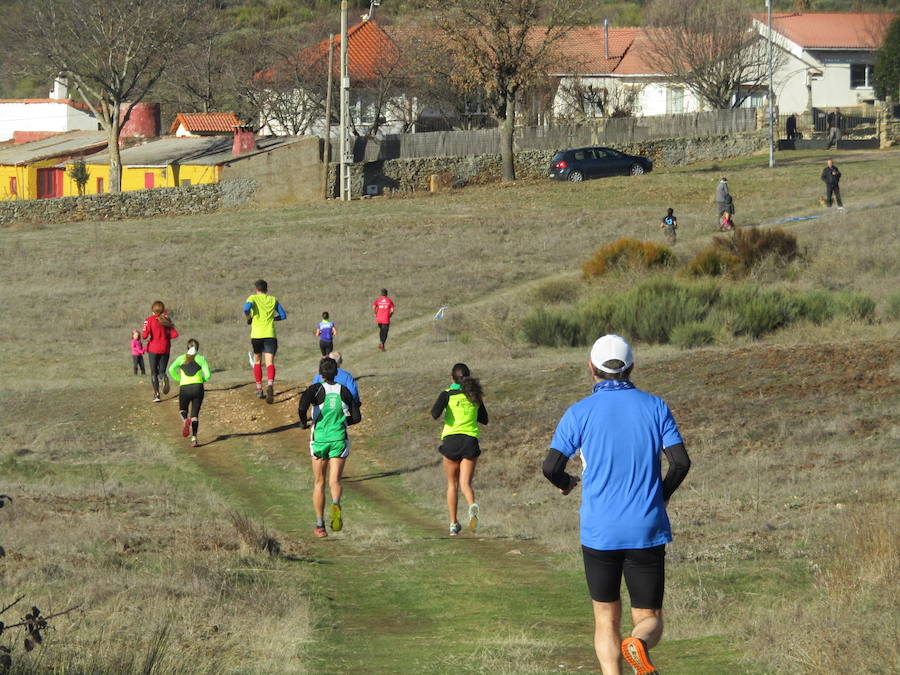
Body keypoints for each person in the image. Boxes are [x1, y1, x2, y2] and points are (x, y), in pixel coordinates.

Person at [542, 335, 691, 675]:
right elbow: (681, 463)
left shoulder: (578, 412)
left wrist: (566, 484)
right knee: (649, 619)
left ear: (591, 369)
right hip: (646, 528)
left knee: (606, 617)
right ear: (632, 367)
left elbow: (550, 467)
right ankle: (638, 643)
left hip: (599, 532)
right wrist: (662, 494)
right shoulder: (656, 407)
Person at [299, 357, 361, 538]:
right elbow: (356, 417)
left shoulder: (314, 389)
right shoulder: (345, 391)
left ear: (320, 373)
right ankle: (336, 503)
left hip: (319, 440)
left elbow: (302, 407)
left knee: (319, 482)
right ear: (336, 373)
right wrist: (343, 421)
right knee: (335, 481)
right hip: (339, 439)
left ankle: (320, 526)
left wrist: (304, 422)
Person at [430, 363, 488, 536]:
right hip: (470, 441)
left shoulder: (447, 394)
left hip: (451, 441)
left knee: (452, 484)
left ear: (452, 378)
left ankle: (454, 524)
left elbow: (434, 414)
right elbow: (485, 419)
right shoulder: (474, 396)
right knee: (465, 484)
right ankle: (471, 506)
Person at [243, 279, 287, 404]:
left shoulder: (253, 298)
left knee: (257, 360)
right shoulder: (273, 299)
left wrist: (249, 318)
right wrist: (273, 319)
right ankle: (270, 384)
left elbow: (246, 308)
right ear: (266, 289)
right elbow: (283, 315)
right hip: (270, 335)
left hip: (256, 335)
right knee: (270, 362)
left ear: (256, 289)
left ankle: (259, 388)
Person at [167, 339, 211, 448]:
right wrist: (202, 380)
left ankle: (185, 420)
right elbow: (208, 374)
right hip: (198, 387)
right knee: (195, 415)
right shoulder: (201, 359)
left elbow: (171, 369)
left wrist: (179, 379)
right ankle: (194, 439)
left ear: (187, 347)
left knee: (183, 410)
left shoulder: (181, 358)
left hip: (184, 388)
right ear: (197, 348)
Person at [142, 301, 179, 403]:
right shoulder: (166, 319)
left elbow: (144, 336)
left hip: (153, 348)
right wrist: (165, 335)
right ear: (163, 309)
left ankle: (157, 395)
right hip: (165, 348)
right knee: (161, 371)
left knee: (154, 372)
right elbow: (175, 334)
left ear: (152, 310)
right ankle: (164, 377)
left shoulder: (148, 320)